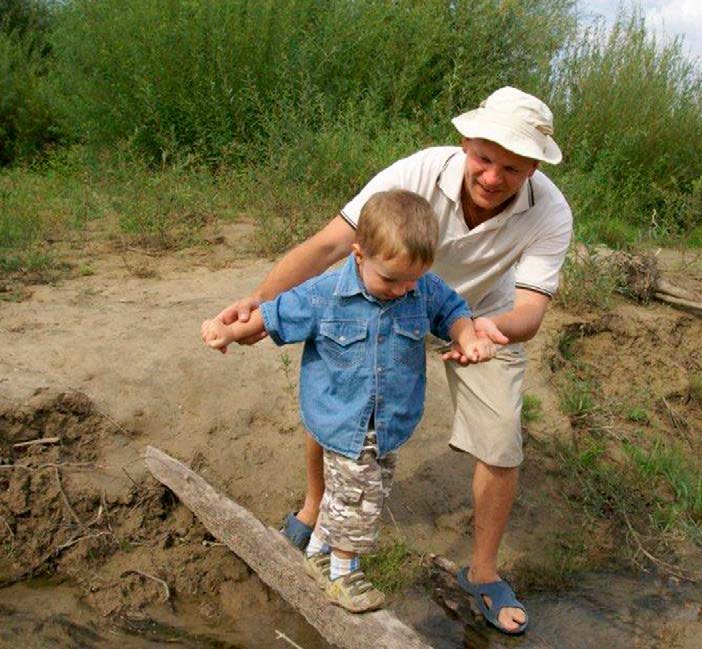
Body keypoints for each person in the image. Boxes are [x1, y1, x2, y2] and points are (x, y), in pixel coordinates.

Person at [212, 86, 572, 634]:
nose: (494, 177)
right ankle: (315, 514)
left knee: (500, 438)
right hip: (378, 299)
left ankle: (482, 571)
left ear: (533, 168)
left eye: (513, 167)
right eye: (484, 158)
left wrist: (481, 331)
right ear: (465, 142)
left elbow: (531, 310)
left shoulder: (550, 210)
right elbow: (332, 246)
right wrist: (260, 306)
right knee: (339, 391)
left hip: (478, 318)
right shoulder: (418, 173)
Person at [202, 189, 497, 613]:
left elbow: (453, 310)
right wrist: (226, 330)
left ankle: (320, 548)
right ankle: (343, 573)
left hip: (389, 420)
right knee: (361, 500)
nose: (401, 290)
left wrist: (467, 337)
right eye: (390, 279)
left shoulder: (423, 288)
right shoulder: (324, 295)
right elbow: (272, 315)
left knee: (350, 493)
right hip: (344, 418)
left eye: (412, 279)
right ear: (358, 255)